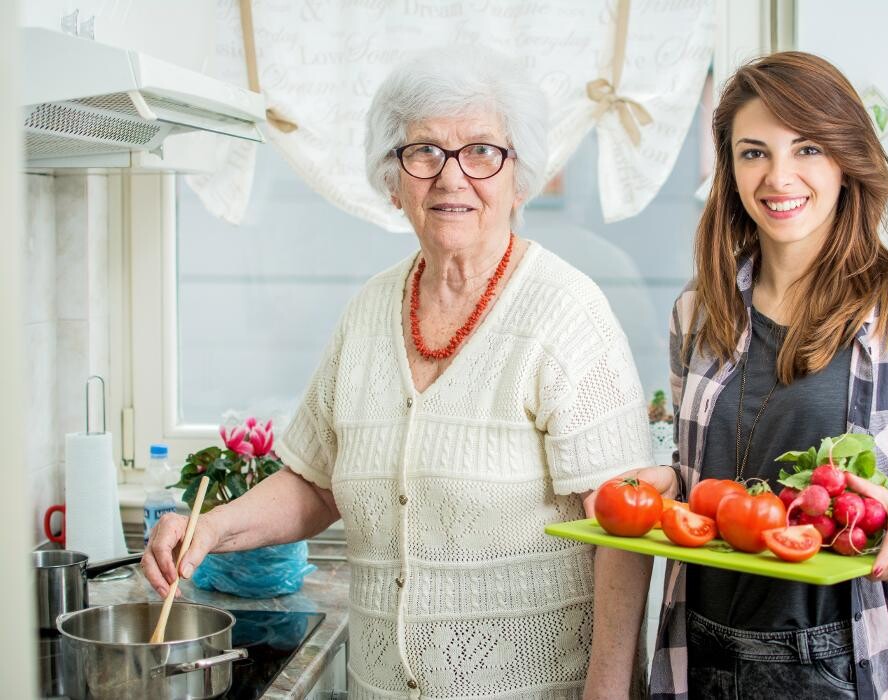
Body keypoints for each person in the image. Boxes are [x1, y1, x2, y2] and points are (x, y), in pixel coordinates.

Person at [142, 47, 662, 699]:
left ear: (518, 176)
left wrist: (609, 691)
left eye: (481, 151)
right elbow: (316, 482)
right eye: (423, 152)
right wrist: (210, 529)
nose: (451, 178)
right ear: (393, 180)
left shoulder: (565, 314)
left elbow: (623, 529)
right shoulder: (367, 314)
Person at [642, 52, 888, 699]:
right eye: (753, 153)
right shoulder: (697, 312)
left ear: (846, 159)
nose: (778, 177)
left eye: (806, 148)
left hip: (846, 660)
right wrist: (663, 480)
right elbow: (707, 476)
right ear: (729, 170)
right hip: (700, 652)